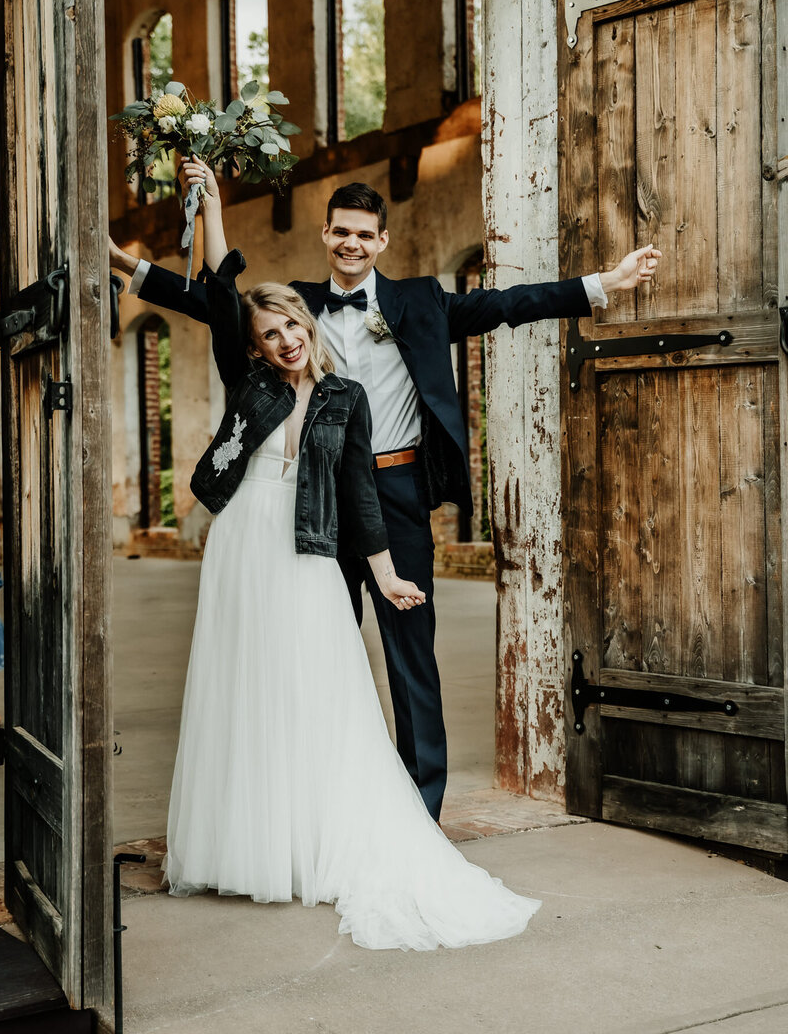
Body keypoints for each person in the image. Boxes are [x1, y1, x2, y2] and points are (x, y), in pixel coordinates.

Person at [110, 160, 660, 821]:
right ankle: (324, 801)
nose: (352, 244)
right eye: (341, 231)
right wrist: (129, 267)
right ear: (325, 234)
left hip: (396, 489)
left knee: (410, 652)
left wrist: (605, 283)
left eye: (364, 235)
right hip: (311, 494)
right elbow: (219, 305)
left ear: (382, 242)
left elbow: (509, 304)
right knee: (317, 646)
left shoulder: (422, 300)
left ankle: (420, 810)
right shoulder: (298, 308)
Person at [162, 241, 542, 950]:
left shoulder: (346, 398)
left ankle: (319, 835)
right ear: (255, 345)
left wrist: (388, 570)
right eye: (269, 333)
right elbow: (218, 294)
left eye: (293, 327)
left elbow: (360, 494)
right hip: (242, 544)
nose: (286, 342)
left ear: (309, 326)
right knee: (247, 683)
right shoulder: (248, 381)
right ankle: (251, 842)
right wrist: (210, 202)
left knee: (319, 682)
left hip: (308, 546)